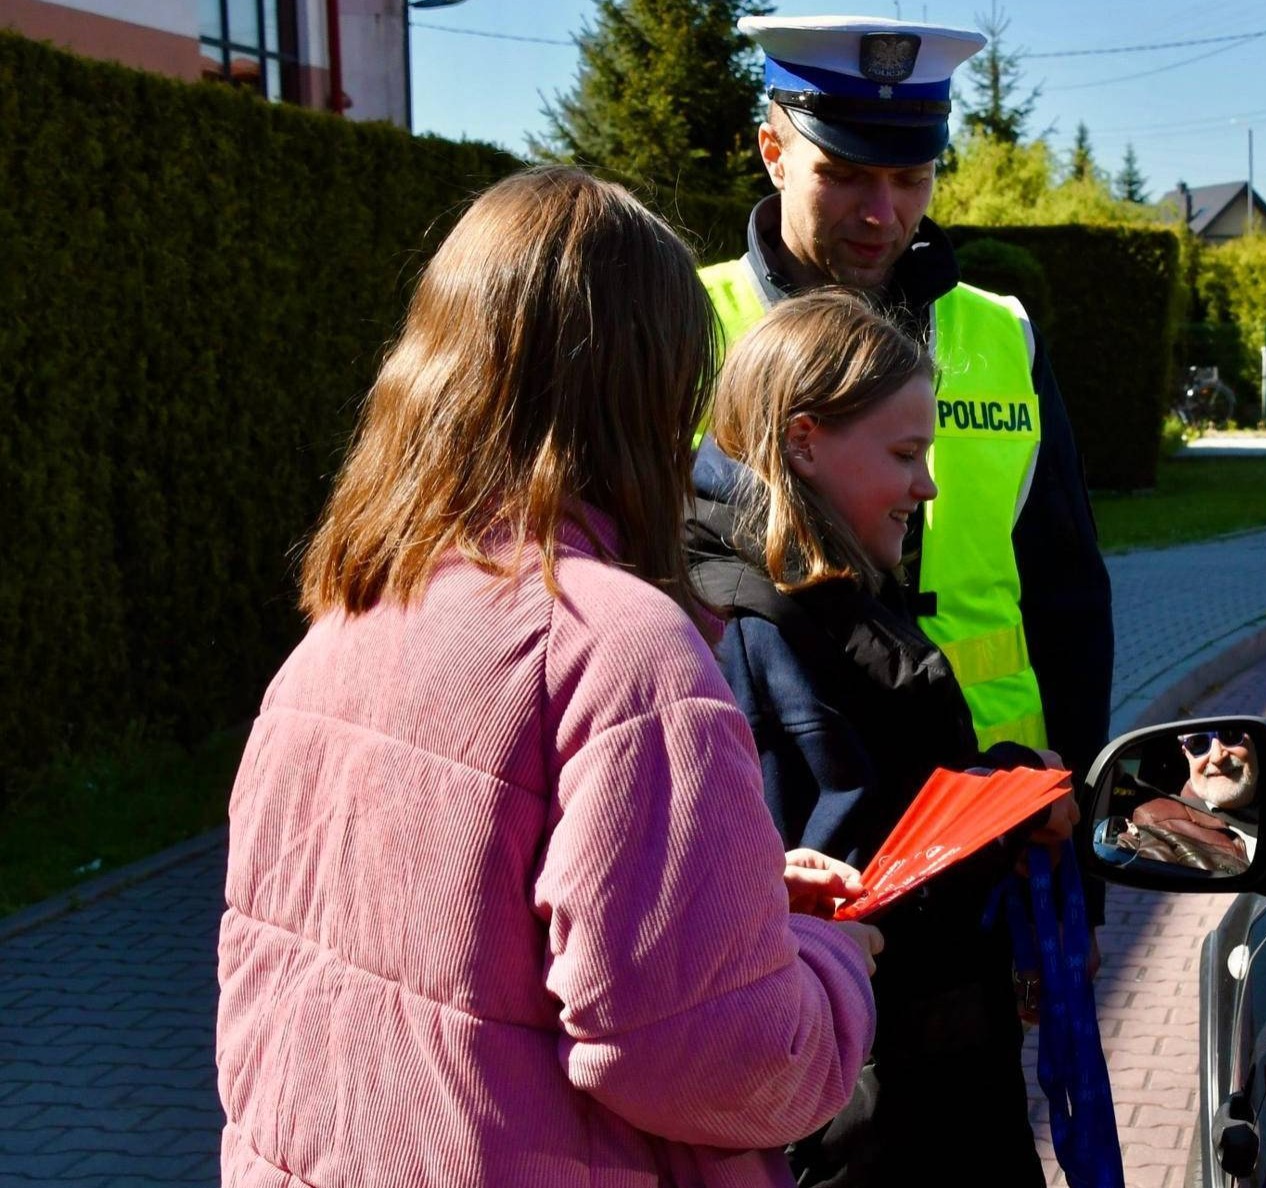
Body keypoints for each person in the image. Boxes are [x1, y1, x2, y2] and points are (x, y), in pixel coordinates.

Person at [216, 167, 881, 1188]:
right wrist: (831, 972)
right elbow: (710, 1055)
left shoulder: (338, 626)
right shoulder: (619, 646)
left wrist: (731, 899)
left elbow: (436, 928)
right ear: (653, 388)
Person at [685, 288, 1074, 1186]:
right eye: (907, 454)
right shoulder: (762, 626)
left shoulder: (809, 579)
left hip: (888, 1093)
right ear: (805, 438)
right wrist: (1005, 806)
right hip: (868, 1116)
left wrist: (1002, 787)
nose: (928, 487)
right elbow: (853, 873)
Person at [700, 15, 1115, 816]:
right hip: (770, 814)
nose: (881, 213)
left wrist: (1081, 847)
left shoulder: (1005, 334)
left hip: (998, 812)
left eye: (911, 177)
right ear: (774, 153)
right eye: (847, 174)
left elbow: (1068, 601)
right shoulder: (687, 320)